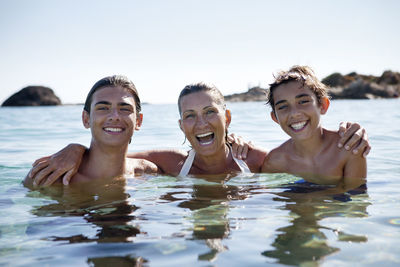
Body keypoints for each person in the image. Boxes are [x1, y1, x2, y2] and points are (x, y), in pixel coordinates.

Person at [27, 82, 370, 186]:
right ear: (181, 126)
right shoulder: (172, 164)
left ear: (227, 117)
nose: (201, 123)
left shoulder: (258, 161)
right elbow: (114, 154)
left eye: (210, 113)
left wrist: (346, 135)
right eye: (190, 116)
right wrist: (73, 148)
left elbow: (303, 154)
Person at [24, 75, 158, 187]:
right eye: (103, 108)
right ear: (86, 119)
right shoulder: (50, 177)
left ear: (138, 121)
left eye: (125, 109)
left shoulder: (146, 173)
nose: (115, 116)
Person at [262, 65, 367, 189]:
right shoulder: (275, 162)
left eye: (303, 101)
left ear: (323, 105)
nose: (294, 113)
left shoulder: (349, 148)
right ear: (275, 118)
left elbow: (357, 201)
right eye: (283, 106)